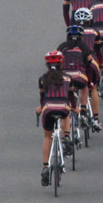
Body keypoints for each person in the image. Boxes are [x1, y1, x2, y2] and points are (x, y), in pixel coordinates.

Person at [35, 50, 79, 186]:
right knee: (66, 114)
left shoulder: (42, 79)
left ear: (47, 65)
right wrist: (75, 107)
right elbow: (71, 97)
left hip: (48, 109)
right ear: (62, 64)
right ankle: (66, 138)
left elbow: (43, 98)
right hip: (63, 107)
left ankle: (45, 167)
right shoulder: (67, 78)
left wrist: (40, 108)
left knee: (47, 137)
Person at [57, 25, 95, 127]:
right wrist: (89, 82)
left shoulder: (62, 47)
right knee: (84, 86)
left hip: (64, 77)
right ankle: (83, 110)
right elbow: (88, 67)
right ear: (82, 37)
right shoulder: (85, 47)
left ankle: (64, 128)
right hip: (79, 76)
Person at [74, 7, 103, 131]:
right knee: (94, 87)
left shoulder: (73, 33)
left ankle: (78, 110)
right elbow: (98, 50)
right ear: (90, 20)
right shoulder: (95, 32)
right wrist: (101, 63)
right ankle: (96, 118)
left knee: (78, 86)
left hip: (77, 61)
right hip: (92, 60)